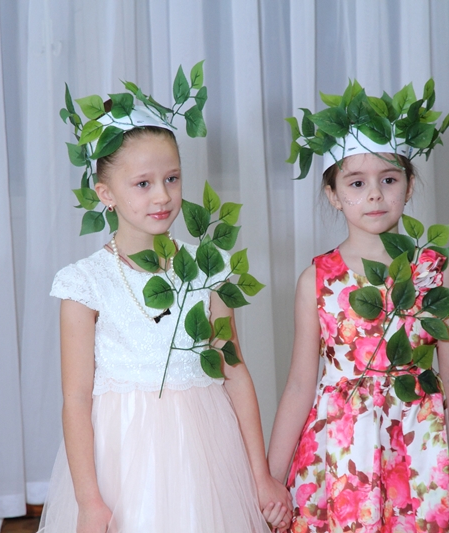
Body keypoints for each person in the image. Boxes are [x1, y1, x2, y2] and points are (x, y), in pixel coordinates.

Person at [39, 73, 291, 532]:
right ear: (106, 194)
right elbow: (75, 400)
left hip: (205, 455)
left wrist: (260, 477)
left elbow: (234, 373)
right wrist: (89, 501)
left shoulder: (207, 268)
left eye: (172, 178)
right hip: (122, 463)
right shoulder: (84, 284)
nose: (162, 195)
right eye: (143, 183)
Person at [267, 81, 449, 532]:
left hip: (417, 449)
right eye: (357, 183)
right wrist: (270, 480)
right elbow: (300, 384)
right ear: (333, 194)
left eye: (389, 180)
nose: (375, 194)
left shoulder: (434, 273)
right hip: (339, 453)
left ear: (409, 185)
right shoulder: (317, 280)